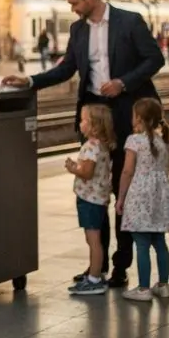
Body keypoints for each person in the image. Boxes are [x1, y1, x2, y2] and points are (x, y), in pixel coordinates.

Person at [4, 0, 164, 287]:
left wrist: (123, 82)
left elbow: (155, 58)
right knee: (96, 193)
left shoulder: (129, 22)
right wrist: (31, 81)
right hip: (97, 118)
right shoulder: (78, 30)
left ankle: (121, 265)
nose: (73, 8)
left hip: (126, 111)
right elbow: (67, 69)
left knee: (122, 188)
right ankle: (98, 267)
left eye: (75, 2)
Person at [117, 98, 169, 303]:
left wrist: (121, 197)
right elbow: (165, 171)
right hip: (161, 195)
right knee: (159, 242)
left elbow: (127, 171)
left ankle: (143, 289)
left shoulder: (134, 141)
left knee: (141, 243)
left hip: (141, 195)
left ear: (139, 119)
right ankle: (163, 285)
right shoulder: (164, 140)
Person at [65, 103, 115, 298]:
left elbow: (86, 172)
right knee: (94, 239)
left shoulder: (90, 147)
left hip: (89, 199)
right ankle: (96, 274)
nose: (80, 123)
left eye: (83, 120)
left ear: (94, 126)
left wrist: (72, 168)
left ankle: (94, 279)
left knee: (93, 240)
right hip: (99, 198)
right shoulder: (101, 145)